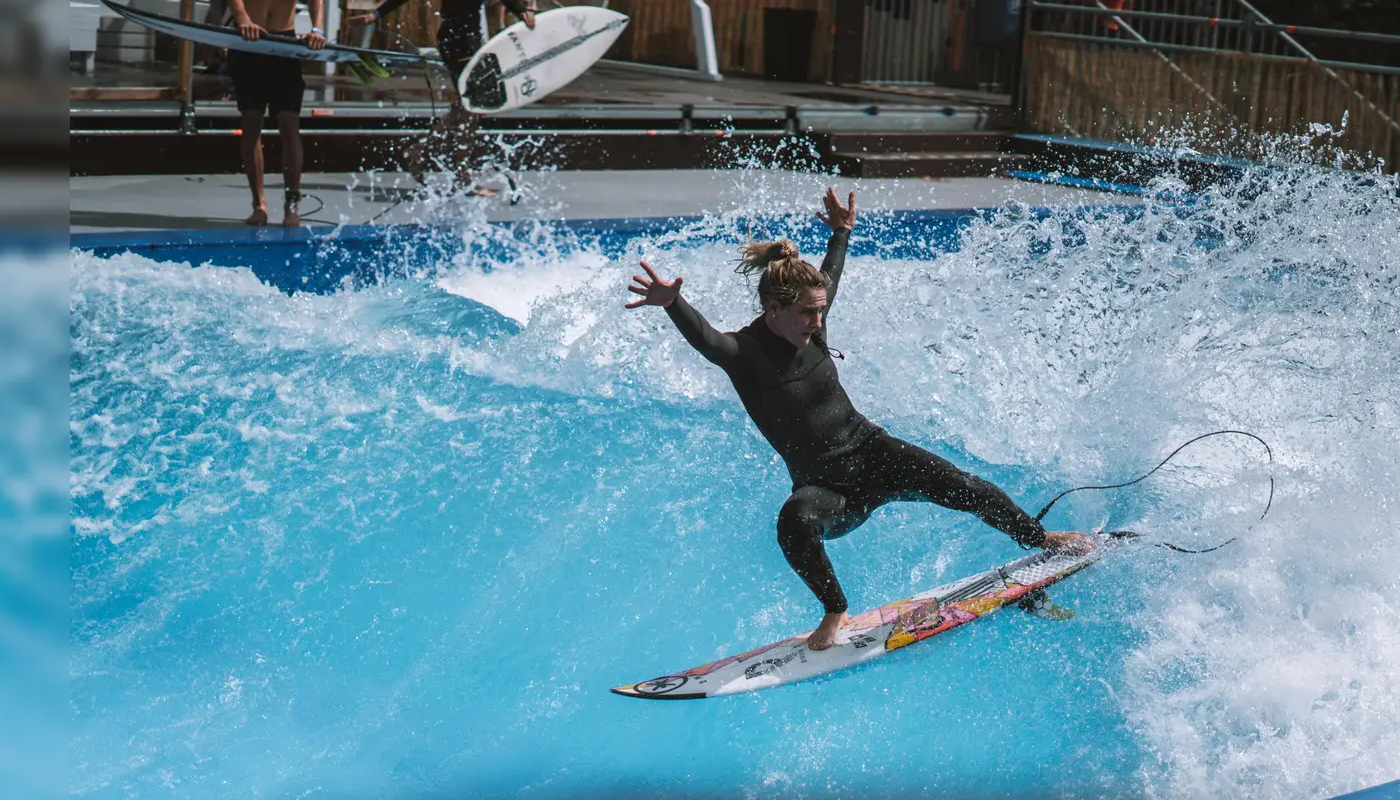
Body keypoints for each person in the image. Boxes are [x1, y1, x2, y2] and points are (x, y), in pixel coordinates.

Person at [625, 189, 1096, 651]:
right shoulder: (743, 354)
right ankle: (835, 609)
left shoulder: (810, 324)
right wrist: (672, 304)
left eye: (821, 311)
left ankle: (1040, 538)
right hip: (828, 488)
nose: (817, 321)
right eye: (808, 313)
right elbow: (707, 339)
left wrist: (842, 234)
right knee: (793, 521)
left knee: (964, 485)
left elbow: (831, 275)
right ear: (774, 310)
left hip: (874, 453)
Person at [347, 0, 538, 193]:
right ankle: (445, 165)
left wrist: (521, 10)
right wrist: (376, 15)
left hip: (467, 40)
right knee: (472, 106)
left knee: (470, 106)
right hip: (460, 42)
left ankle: (430, 156)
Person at [226, 0, 327, 226]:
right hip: (248, 42)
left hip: (284, 44)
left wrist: (317, 30)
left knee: (288, 121)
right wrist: (242, 18)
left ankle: (291, 205)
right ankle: (258, 204)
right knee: (251, 122)